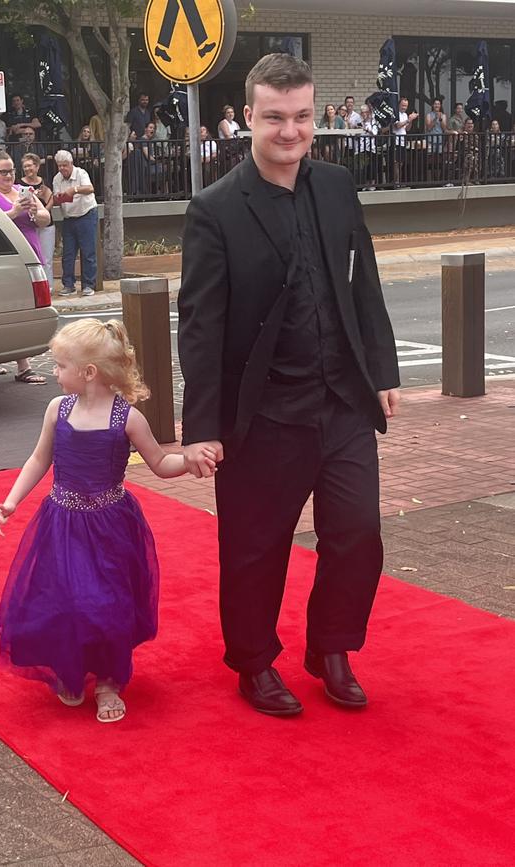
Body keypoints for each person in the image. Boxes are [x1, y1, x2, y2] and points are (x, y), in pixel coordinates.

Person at [178, 53, 400, 717]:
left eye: (302, 116)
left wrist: (382, 370)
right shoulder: (214, 210)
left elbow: (365, 283)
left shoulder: (335, 186)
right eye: (275, 117)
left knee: (358, 532)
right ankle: (253, 661)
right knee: (254, 548)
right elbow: (200, 325)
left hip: (342, 403)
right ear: (248, 116)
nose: (290, 130)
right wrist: (204, 427)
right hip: (263, 416)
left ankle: (331, 647)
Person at [0, 318, 216, 720]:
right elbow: (40, 459)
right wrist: (10, 502)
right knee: (62, 600)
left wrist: (192, 461)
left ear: (88, 372)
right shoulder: (58, 410)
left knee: (106, 604)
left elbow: (161, 463)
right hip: (62, 524)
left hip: (111, 527)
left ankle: (109, 680)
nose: (54, 373)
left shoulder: (127, 419)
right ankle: (69, 672)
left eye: (60, 366)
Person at [0, 148, 49, 383]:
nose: (9, 177)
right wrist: (14, 211)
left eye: (11, 171)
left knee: (27, 309)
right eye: (4, 172)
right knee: (6, 310)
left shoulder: (23, 190)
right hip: (4, 259)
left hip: (30, 251)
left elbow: (45, 218)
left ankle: (2, 359)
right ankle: (21, 365)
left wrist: (33, 211)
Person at [52, 149, 99, 297]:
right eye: (59, 165)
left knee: (88, 251)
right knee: (68, 253)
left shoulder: (81, 173)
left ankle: (88, 285)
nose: (62, 169)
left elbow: (90, 188)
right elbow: (56, 198)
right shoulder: (57, 179)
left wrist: (75, 189)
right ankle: (68, 285)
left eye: (65, 165)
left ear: (71, 163)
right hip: (69, 217)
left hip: (86, 214)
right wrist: (58, 197)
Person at [20, 152, 55, 292]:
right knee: (33, 258)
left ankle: (49, 287)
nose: (28, 169)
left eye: (30, 166)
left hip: (46, 225)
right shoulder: (19, 183)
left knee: (47, 258)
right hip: (29, 225)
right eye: (25, 166)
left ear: (37, 166)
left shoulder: (44, 182)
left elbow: (51, 198)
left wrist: (44, 212)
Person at [389, 96, 418, 186]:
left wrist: (411, 120)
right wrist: (408, 120)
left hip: (402, 141)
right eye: (403, 105)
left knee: (401, 162)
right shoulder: (395, 114)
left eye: (406, 106)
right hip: (395, 141)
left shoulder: (405, 115)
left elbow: (407, 129)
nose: (404, 107)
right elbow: (397, 125)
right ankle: (395, 181)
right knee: (396, 162)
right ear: (399, 105)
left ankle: (399, 181)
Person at [425, 98, 447, 182]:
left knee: (440, 160)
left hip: (440, 140)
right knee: (431, 160)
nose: (437, 105)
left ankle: (439, 179)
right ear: (432, 105)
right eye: (435, 104)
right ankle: (432, 179)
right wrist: (435, 119)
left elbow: (444, 128)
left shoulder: (443, 115)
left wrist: (440, 119)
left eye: (438, 104)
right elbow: (429, 127)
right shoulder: (429, 115)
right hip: (431, 140)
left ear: (440, 105)